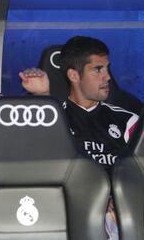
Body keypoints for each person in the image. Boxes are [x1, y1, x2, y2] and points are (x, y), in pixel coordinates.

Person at [19, 36, 139, 240]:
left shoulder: (128, 121)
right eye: (98, 69)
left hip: (121, 212)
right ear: (74, 75)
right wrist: (43, 97)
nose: (108, 77)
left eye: (107, 68)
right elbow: (43, 167)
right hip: (70, 210)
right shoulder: (54, 119)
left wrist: (123, 199)